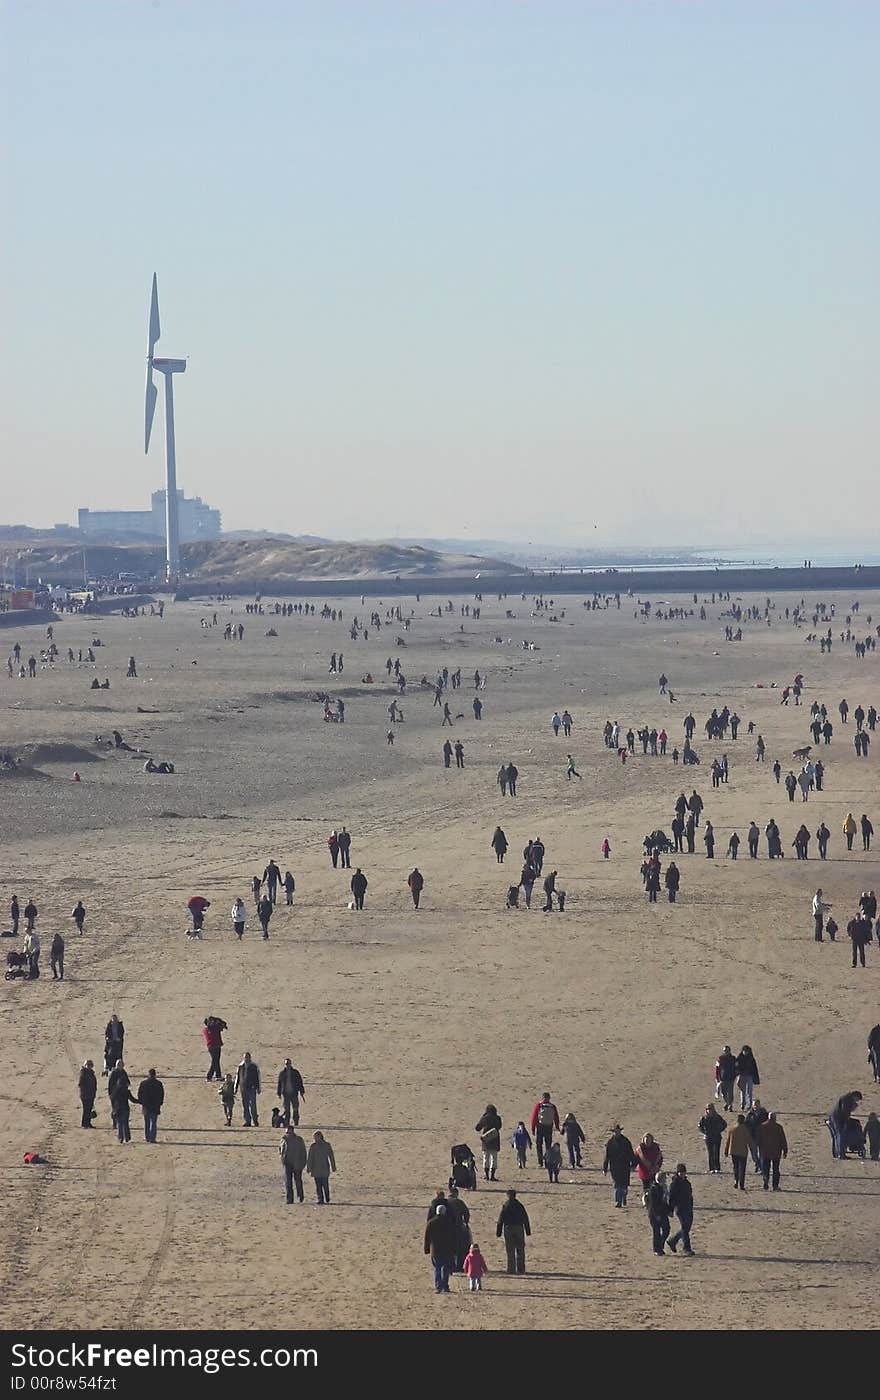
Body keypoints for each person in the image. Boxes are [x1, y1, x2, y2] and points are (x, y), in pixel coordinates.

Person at [496, 1189, 530, 1274]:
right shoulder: (519, 1205)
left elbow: (501, 1219)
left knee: (510, 1250)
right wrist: (528, 1230)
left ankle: (511, 1269)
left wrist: (499, 1231)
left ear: (508, 1196)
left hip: (508, 1228)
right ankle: (521, 1269)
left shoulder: (506, 1205)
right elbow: (525, 1218)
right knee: (520, 1249)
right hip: (519, 1228)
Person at [603, 1124, 637, 1206]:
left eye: (618, 1131)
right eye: (615, 1131)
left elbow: (631, 1153)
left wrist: (633, 1164)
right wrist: (605, 1168)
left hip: (625, 1166)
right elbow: (607, 1156)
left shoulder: (626, 1141)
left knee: (624, 1185)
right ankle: (618, 1201)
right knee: (617, 1184)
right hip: (614, 1167)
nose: (616, 1133)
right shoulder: (610, 1142)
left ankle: (623, 1196)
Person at [424, 1204, 456, 1293]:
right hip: (447, 1249)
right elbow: (454, 1236)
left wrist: (426, 1249)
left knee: (437, 1268)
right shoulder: (449, 1222)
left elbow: (427, 1237)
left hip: (435, 1249)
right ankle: (445, 1286)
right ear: (444, 1212)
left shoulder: (431, 1222)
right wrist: (455, 1248)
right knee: (445, 1268)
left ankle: (438, 1286)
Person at [666, 1164, 695, 1255]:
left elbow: (690, 1194)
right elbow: (671, 1197)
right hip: (680, 1208)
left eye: (683, 1172)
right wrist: (670, 1210)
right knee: (685, 1228)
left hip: (688, 1207)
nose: (682, 1174)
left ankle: (673, 1241)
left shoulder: (686, 1182)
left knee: (686, 1227)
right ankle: (687, 1248)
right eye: (680, 1172)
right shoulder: (674, 1184)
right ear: (677, 1172)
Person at [757, 1112, 788, 1190]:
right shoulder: (778, 1127)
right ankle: (775, 1186)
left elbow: (758, 1139)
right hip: (776, 1152)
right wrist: (785, 1150)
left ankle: (765, 1182)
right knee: (776, 1170)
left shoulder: (762, 1126)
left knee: (765, 1169)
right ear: (774, 1118)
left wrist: (759, 1148)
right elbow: (782, 1140)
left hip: (765, 1152)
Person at [530, 1092, 560, 1166]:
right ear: (549, 1098)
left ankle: (540, 1162)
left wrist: (533, 1128)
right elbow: (556, 1117)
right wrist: (557, 1127)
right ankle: (548, 1161)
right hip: (549, 1127)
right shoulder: (552, 1106)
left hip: (540, 1127)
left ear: (542, 1097)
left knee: (539, 1145)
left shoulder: (539, 1105)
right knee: (548, 1145)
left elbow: (534, 1118)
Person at [307, 1130, 336, 1204]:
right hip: (315, 1169)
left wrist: (333, 1166)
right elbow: (310, 1158)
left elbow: (331, 1156)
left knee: (325, 1184)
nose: (315, 1139)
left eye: (317, 1137)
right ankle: (320, 1199)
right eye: (314, 1137)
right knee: (318, 1186)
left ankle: (327, 1197)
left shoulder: (327, 1145)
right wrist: (309, 1167)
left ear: (321, 1137)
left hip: (324, 1168)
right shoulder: (313, 1146)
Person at [280, 1125, 308, 1203]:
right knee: (288, 1182)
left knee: (298, 1181)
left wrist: (303, 1163)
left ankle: (300, 1196)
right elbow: (281, 1150)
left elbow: (303, 1152)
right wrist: (282, 1159)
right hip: (287, 1163)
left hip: (297, 1163)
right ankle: (289, 1199)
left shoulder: (299, 1140)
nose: (288, 1134)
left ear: (293, 1131)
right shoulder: (283, 1139)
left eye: (289, 1132)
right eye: (286, 1132)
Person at [475, 1104, 502, 1181]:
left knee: (486, 1158)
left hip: (486, 1140)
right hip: (495, 1139)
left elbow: (477, 1128)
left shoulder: (485, 1118)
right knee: (494, 1158)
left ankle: (486, 1175)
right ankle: (492, 1176)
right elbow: (499, 1127)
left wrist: (483, 1117)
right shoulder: (497, 1118)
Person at [646, 1171, 671, 1255]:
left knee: (666, 1229)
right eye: (664, 1179)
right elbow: (653, 1204)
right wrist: (656, 1215)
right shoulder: (654, 1189)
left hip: (662, 1213)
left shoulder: (663, 1188)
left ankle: (660, 1245)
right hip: (654, 1214)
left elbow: (664, 1202)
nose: (665, 1180)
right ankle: (657, 1249)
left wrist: (669, 1211)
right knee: (656, 1232)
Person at [137, 1068, 165, 1143]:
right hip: (155, 1106)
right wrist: (160, 1103)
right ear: (155, 1075)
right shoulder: (159, 1083)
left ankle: (147, 1137)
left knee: (147, 1122)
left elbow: (139, 1094)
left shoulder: (143, 1083)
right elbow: (161, 1094)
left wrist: (141, 1102)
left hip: (146, 1105)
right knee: (153, 1122)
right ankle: (152, 1138)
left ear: (148, 1075)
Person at [235, 1052, 261, 1126]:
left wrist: (258, 1088)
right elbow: (237, 1077)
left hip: (252, 1088)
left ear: (250, 1058)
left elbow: (258, 1077)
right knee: (245, 1105)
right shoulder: (240, 1066)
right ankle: (247, 1121)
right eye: (245, 1057)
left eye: (247, 1057)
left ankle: (255, 1120)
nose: (246, 1059)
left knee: (253, 1105)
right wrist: (235, 1088)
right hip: (243, 1088)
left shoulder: (254, 1066)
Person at [725, 1114, 751, 1189]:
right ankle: (741, 1184)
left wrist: (726, 1150)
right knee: (742, 1168)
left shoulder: (732, 1129)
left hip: (733, 1151)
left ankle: (736, 1181)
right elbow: (749, 1141)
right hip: (743, 1152)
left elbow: (728, 1141)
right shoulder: (746, 1129)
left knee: (735, 1167)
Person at [110, 1073, 137, 1144]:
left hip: (117, 1109)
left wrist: (113, 1108)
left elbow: (112, 1099)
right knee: (125, 1123)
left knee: (119, 1124)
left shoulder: (115, 1091)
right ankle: (127, 1137)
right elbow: (132, 1100)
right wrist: (140, 1101)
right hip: (125, 1108)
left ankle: (120, 1138)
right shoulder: (126, 1091)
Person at [699, 1104, 727, 1173]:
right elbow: (700, 1126)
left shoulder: (717, 1117)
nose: (709, 1111)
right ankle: (711, 1168)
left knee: (716, 1152)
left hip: (717, 1137)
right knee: (710, 1153)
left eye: (710, 1109)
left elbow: (724, 1124)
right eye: (708, 1109)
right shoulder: (704, 1118)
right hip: (708, 1138)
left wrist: (718, 1130)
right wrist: (704, 1132)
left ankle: (717, 1168)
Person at [277, 1058, 305, 1125]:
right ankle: (287, 1123)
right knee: (287, 1110)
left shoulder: (295, 1073)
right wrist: (279, 1093)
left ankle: (296, 1121)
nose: (288, 1065)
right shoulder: (282, 1073)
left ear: (291, 1064)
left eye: (289, 1064)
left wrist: (301, 1091)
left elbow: (300, 1082)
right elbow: (279, 1084)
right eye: (286, 1064)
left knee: (295, 1108)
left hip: (294, 1093)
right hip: (285, 1094)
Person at [735, 1045, 760, 1110]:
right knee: (742, 1091)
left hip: (750, 1076)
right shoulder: (739, 1058)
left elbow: (755, 1069)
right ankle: (742, 1104)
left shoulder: (751, 1058)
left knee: (749, 1091)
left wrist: (756, 1079)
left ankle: (749, 1105)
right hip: (742, 1076)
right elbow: (736, 1067)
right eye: (744, 1051)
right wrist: (738, 1074)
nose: (745, 1052)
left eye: (747, 1051)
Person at [204, 1016, 227, 1080]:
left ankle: (218, 1075)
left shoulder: (206, 1029)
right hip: (216, 1046)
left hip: (211, 1047)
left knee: (216, 1061)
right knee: (215, 1061)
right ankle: (209, 1076)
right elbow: (222, 1026)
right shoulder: (214, 1028)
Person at [715, 1046, 736, 1110]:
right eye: (724, 1051)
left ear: (729, 1051)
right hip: (722, 1078)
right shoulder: (720, 1058)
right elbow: (717, 1068)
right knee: (723, 1093)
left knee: (730, 1092)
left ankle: (730, 1105)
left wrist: (735, 1075)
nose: (725, 1052)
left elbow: (736, 1067)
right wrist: (716, 1076)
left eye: (727, 1051)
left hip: (731, 1078)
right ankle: (727, 1103)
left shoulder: (733, 1058)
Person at [78, 1059, 97, 1128]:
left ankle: (88, 1123)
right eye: (88, 1065)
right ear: (85, 1065)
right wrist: (85, 1090)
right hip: (85, 1095)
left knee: (89, 1109)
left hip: (91, 1094)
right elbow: (80, 1084)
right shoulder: (83, 1073)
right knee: (86, 1109)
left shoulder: (91, 1073)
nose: (89, 1066)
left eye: (90, 1065)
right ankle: (84, 1123)